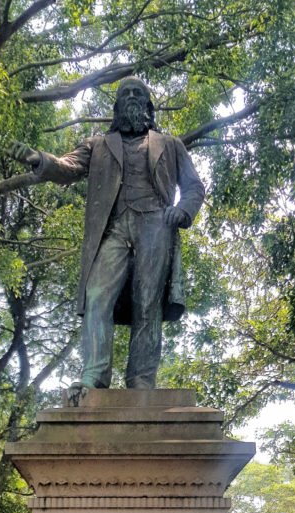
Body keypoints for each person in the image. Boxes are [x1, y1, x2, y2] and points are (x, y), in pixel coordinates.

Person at [11, 77, 205, 392]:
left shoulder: (170, 144)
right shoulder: (97, 145)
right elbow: (68, 166)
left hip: (156, 227)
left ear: (147, 105)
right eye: (125, 93)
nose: (131, 97)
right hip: (114, 229)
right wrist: (40, 160)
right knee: (97, 296)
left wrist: (183, 210)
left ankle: (141, 379)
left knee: (147, 302)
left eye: (138, 93)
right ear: (116, 106)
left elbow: (194, 187)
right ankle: (95, 377)